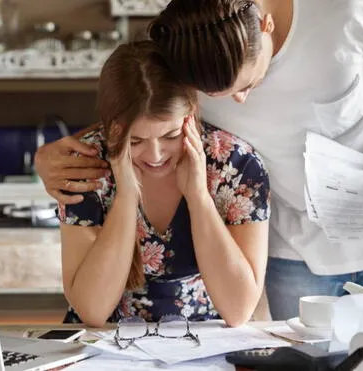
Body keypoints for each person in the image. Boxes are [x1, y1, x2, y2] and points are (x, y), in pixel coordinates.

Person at [36, 0, 363, 320]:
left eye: (249, 83)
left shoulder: (353, 11)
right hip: (299, 248)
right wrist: (52, 155)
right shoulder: (190, 46)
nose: (240, 101)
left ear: (266, 26)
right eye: (218, 97)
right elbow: (141, 99)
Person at [57, 40, 271, 327]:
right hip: (106, 344)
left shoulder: (237, 166)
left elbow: (239, 310)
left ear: (191, 113)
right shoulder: (85, 167)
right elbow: (92, 312)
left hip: (203, 342)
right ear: (111, 128)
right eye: (136, 141)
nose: (155, 156)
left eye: (170, 136)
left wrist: (198, 197)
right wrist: (126, 196)